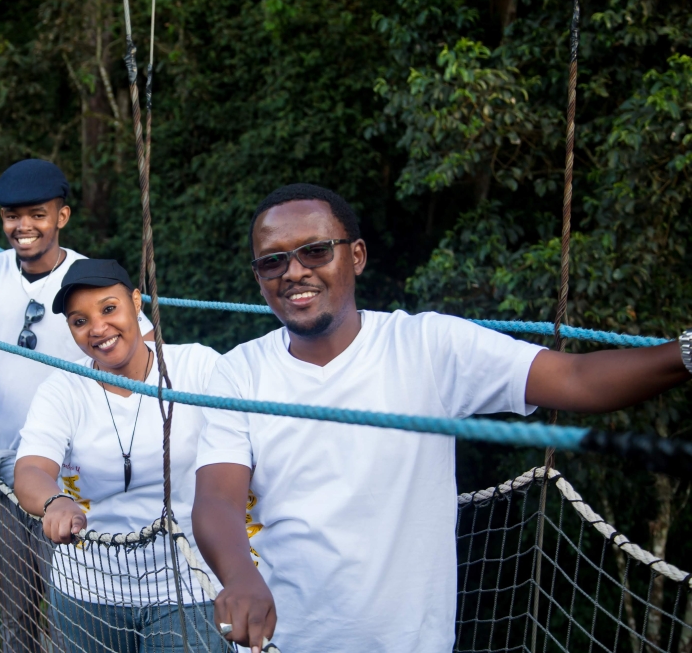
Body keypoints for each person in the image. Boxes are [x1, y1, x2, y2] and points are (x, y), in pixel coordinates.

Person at [191, 183, 692, 653]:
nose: (294, 271)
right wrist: (239, 578)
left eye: (316, 251)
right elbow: (216, 498)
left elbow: (578, 379)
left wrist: (686, 353)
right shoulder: (239, 372)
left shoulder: (428, 346)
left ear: (357, 256)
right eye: (272, 262)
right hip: (284, 641)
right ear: (259, 277)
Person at [0, 158, 153, 653]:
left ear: (62, 217)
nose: (23, 227)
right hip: (5, 470)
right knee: (16, 611)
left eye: (37, 214)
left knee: (72, 609)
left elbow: (143, 356)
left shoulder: (87, 279)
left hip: (74, 475)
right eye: (13, 216)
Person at [14, 259, 227, 653]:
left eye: (109, 309)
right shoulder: (63, 388)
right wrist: (54, 500)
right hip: (87, 590)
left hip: (186, 583)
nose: (97, 328)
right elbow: (30, 469)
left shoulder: (197, 366)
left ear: (135, 302)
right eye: (79, 321)